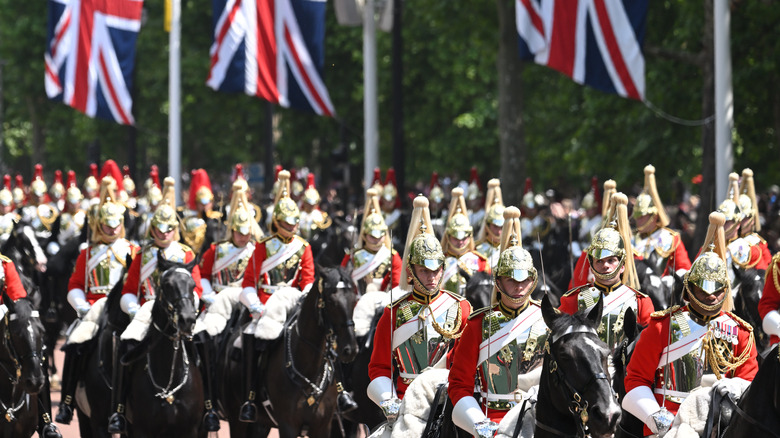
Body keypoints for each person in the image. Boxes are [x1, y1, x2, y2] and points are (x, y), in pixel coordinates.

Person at [623, 212, 758, 437]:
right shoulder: (661, 326)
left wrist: (734, 389)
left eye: (717, 290)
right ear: (689, 289)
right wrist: (657, 419)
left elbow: (750, 384)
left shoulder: (740, 332)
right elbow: (636, 378)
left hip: (722, 425)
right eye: (704, 289)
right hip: (668, 422)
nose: (712, 296)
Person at [108, 176, 203, 434]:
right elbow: (129, 290)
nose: (163, 234)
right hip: (147, 309)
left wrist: (189, 306)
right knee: (124, 342)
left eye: (168, 229)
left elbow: (198, 287)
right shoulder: (143, 254)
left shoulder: (186, 254)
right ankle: (118, 410)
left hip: (182, 308)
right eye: (159, 230)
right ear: (152, 229)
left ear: (175, 229)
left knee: (206, 344)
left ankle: (209, 405)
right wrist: (132, 308)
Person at [367, 196, 471, 423]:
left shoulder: (460, 307)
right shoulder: (393, 313)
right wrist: (388, 400)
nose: (432, 277)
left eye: (436, 270)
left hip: (448, 401)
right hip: (406, 403)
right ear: (411, 271)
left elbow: (468, 364)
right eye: (424, 270)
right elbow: (379, 367)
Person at [448, 206, 548, 437]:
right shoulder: (477, 324)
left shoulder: (547, 319)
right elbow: (459, 384)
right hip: (490, 418)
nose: (518, 286)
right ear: (498, 282)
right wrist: (477, 423)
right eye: (510, 279)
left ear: (533, 281)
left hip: (540, 419)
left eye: (524, 279)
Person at [55, 176, 139, 425]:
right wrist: (81, 305)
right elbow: (75, 285)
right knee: (75, 341)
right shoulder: (88, 253)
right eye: (108, 225)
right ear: (100, 225)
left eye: (116, 225)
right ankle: (68, 402)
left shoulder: (134, 251)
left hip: (125, 306)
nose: (113, 229)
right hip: (94, 308)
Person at [236, 170, 315, 422]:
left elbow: (308, 281)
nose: (292, 226)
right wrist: (256, 305)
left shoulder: (303, 247)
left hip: (293, 305)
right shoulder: (262, 246)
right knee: (250, 337)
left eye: (295, 222)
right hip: (265, 305)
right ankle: (250, 397)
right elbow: (249, 282)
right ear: (277, 221)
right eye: (288, 222)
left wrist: (304, 300)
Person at [194, 182, 263, 431]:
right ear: (232, 230)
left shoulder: (257, 251)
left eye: (247, 232)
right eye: (239, 232)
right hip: (220, 304)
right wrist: (209, 294)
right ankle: (207, 400)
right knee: (202, 338)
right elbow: (201, 274)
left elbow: (260, 280)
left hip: (247, 304)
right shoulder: (216, 250)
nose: (243, 237)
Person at [559, 193, 654, 354]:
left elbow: (650, 345)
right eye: (600, 261)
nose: (605, 266)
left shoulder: (641, 302)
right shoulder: (574, 299)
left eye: (611, 261)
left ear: (622, 265)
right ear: (592, 264)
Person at [0, 249, 61, 437]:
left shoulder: (4, 263)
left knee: (33, 350)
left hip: (2, 316)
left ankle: (45, 420)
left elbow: (17, 295)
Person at [633, 165, 691, 278]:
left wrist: (668, 283)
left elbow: (684, 268)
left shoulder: (671, 238)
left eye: (642, 216)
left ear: (654, 216)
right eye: (636, 216)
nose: (637, 220)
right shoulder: (631, 238)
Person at [341, 188, 402, 294]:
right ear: (364, 235)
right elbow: (343, 281)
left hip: (384, 303)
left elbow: (397, 286)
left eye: (380, 236)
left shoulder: (392, 256)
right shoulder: (352, 255)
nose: (376, 240)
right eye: (373, 236)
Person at [440, 187, 489, 296]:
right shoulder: (440, 261)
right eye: (455, 238)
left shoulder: (480, 262)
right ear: (448, 236)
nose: (460, 242)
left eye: (464, 238)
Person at [569, 179, 617, 289]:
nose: (587, 211)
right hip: (584, 253)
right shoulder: (583, 221)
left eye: (589, 209)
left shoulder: (599, 222)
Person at [180, 168, 221, 254]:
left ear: (212, 202)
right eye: (201, 202)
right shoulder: (190, 220)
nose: (204, 205)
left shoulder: (218, 219)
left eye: (207, 202)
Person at [47, 171, 86, 255]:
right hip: (63, 250)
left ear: (80, 202)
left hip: (78, 250)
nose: (74, 204)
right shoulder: (60, 218)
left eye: (76, 201)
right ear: (67, 202)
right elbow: (54, 236)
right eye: (71, 201)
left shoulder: (85, 216)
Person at [474, 178, 505, 270]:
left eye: (502, 227)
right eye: (495, 226)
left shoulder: (511, 247)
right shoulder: (478, 249)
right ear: (487, 225)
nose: (499, 232)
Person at [298, 173, 332, 241]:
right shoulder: (299, 215)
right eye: (309, 203)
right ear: (305, 202)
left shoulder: (319, 215)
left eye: (313, 204)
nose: (311, 206)